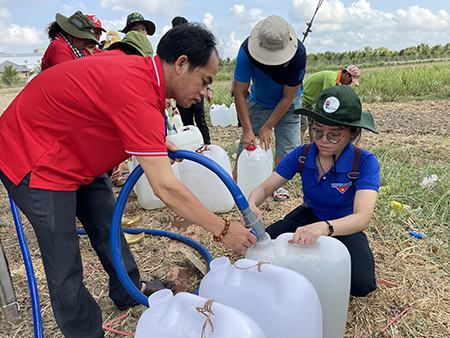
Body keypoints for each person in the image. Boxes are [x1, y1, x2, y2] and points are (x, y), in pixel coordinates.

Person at [0, 23, 255, 338]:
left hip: (74, 153)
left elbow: (108, 111)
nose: (206, 92)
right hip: (34, 157)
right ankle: (85, 332)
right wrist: (223, 229)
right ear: (181, 64)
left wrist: (154, 143)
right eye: (204, 81)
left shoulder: (143, 76)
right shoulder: (137, 89)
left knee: (108, 223)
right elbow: (165, 187)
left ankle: (128, 289)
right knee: (63, 259)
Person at [248, 85, 379, 297]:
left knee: (361, 284)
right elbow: (264, 188)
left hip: (344, 224)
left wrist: (323, 228)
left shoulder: (363, 163)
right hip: (311, 214)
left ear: (353, 133)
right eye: (317, 131)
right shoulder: (303, 154)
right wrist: (252, 204)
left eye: (334, 135)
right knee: (263, 247)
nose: (322, 141)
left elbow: (362, 217)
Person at [233, 16, 306, 201]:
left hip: (289, 103)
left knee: (287, 146)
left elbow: (288, 97)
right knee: (248, 142)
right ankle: (237, 181)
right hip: (259, 100)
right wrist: (248, 129)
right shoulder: (246, 51)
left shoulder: (298, 55)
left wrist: (268, 127)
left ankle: (278, 185)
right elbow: (239, 92)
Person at [172, 16, 212, 145]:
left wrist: (208, 88)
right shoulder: (172, 50)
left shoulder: (195, 48)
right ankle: (193, 148)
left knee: (200, 120)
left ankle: (207, 145)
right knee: (187, 123)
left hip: (196, 90)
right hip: (181, 92)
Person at [301, 65, 361, 142]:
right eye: (350, 80)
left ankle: (313, 143)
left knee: (313, 124)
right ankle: (299, 147)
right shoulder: (331, 78)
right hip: (301, 99)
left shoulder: (335, 80)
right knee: (303, 125)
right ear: (346, 74)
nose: (349, 83)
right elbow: (326, 99)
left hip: (308, 101)